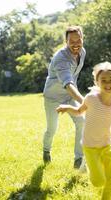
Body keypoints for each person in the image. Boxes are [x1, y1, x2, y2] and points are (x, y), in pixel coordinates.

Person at [57, 61, 111, 199]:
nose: (108, 83)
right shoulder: (91, 98)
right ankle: (88, 168)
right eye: (103, 80)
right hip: (90, 147)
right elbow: (79, 111)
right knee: (99, 182)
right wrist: (67, 107)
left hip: (106, 146)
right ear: (97, 82)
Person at [43, 25, 86, 169]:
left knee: (81, 122)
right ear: (66, 42)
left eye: (78, 40)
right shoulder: (60, 58)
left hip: (69, 96)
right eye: (71, 41)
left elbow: (74, 78)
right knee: (52, 129)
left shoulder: (82, 52)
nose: (75, 44)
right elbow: (68, 83)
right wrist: (84, 102)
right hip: (53, 97)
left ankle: (78, 159)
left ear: (82, 39)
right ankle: (46, 150)